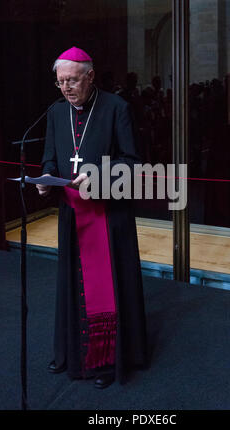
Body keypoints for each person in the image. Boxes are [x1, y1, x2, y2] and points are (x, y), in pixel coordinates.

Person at [36, 46, 147, 388]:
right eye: (60, 82)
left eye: (72, 80)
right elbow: (50, 159)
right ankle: (71, 352)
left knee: (108, 285)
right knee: (73, 283)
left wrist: (97, 175)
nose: (66, 88)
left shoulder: (117, 108)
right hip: (72, 214)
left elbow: (133, 162)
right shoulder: (56, 112)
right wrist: (45, 179)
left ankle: (107, 359)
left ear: (90, 76)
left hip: (108, 215)